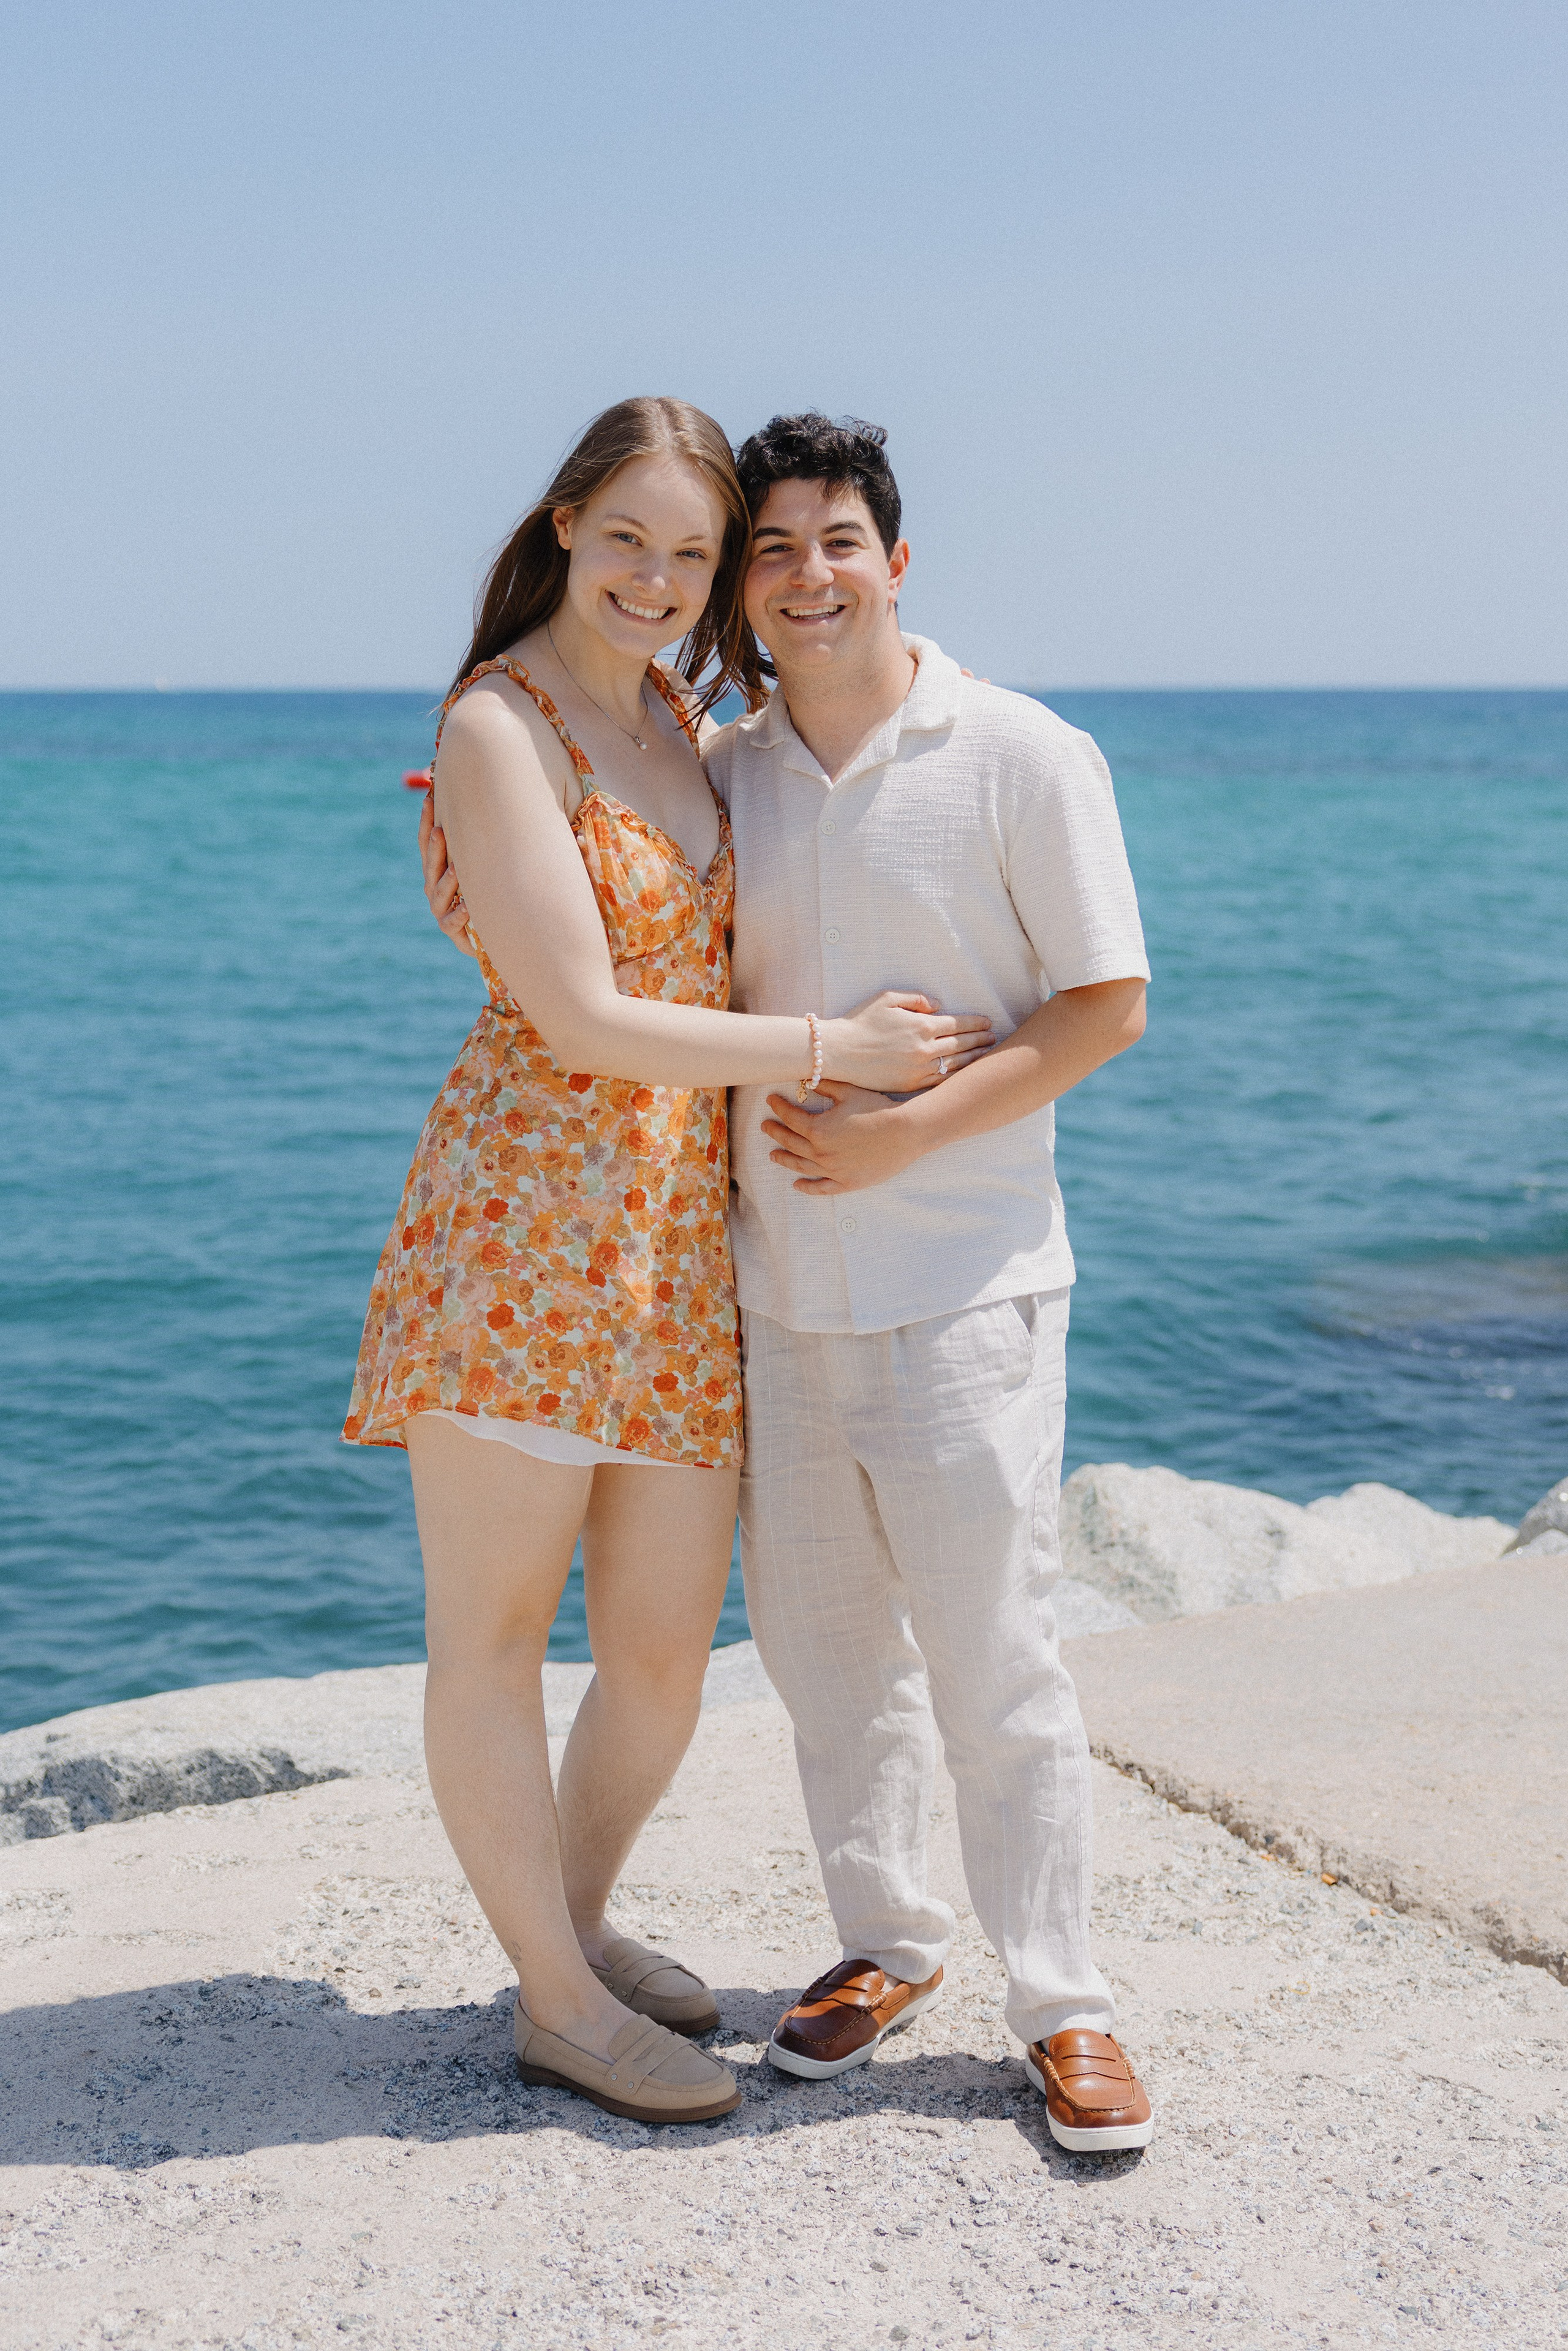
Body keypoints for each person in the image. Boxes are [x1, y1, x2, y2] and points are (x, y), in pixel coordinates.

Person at [346, 396, 992, 2127]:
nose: (658, 574)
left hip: (670, 1246)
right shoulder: (504, 725)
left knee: (656, 1657)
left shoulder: (684, 721)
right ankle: (556, 2002)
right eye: (627, 534)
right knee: (489, 1640)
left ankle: (565, 1917)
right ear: (563, 523)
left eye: (691, 551)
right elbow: (573, 1010)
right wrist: (825, 1054)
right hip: (525, 1229)